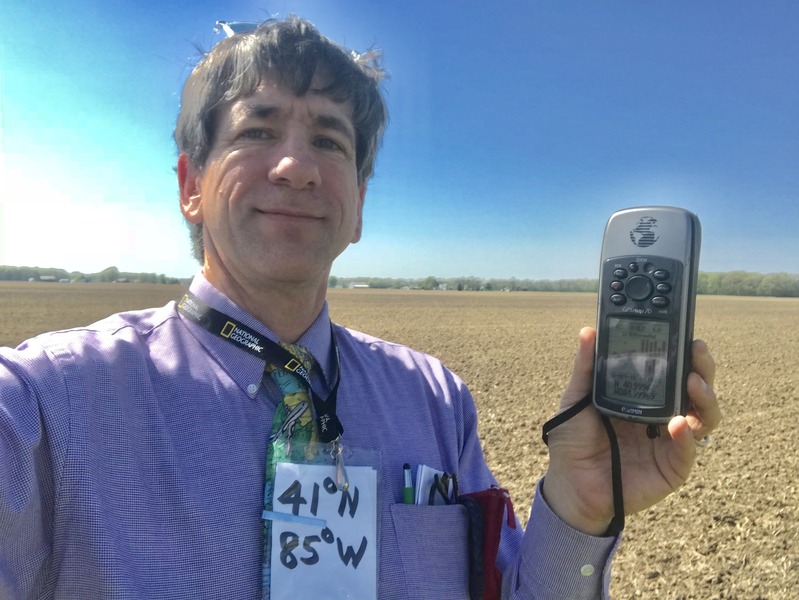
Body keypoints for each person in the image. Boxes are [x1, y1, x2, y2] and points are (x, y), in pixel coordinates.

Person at [0, 16, 720, 600]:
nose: (297, 165)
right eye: (257, 131)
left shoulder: (434, 400)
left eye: (328, 139)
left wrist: (578, 508)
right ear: (191, 183)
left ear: (359, 207)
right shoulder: (45, 406)